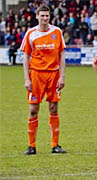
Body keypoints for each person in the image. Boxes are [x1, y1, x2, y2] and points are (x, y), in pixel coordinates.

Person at [20, 5, 67, 155]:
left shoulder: (56, 32)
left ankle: (55, 145)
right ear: (37, 16)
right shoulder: (31, 34)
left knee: (53, 108)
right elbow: (26, 57)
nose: (45, 18)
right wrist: (27, 79)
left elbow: (62, 55)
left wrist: (62, 76)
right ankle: (31, 146)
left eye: (47, 16)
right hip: (36, 75)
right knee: (33, 109)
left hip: (53, 75)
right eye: (42, 16)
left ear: (50, 17)